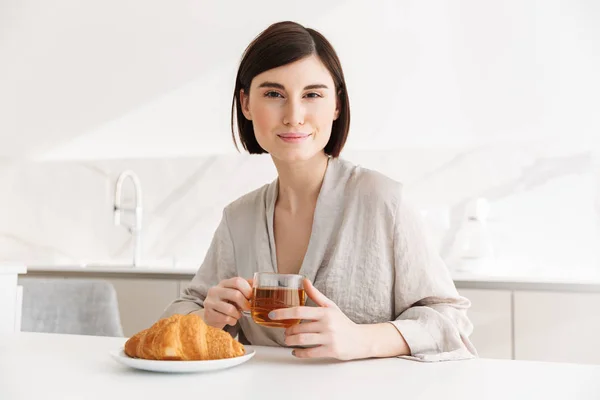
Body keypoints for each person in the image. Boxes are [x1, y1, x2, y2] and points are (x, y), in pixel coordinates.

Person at [161, 21, 477, 362]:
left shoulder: (383, 201)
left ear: (337, 105)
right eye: (273, 94)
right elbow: (182, 312)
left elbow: (452, 322)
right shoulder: (239, 218)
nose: (294, 116)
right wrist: (207, 317)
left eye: (312, 95)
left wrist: (362, 339)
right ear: (246, 104)